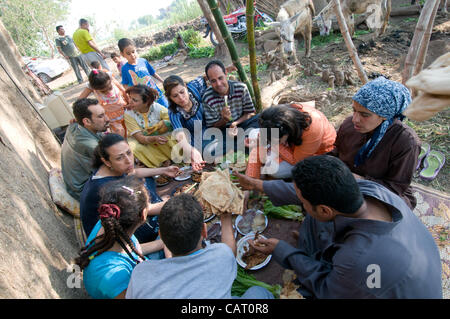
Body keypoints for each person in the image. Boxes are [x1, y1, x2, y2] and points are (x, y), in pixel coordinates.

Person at [235, 155, 443, 299]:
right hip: (390, 263)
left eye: (303, 203)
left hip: (385, 286)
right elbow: (307, 192)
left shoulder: (359, 259)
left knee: (306, 290)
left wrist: (281, 250)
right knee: (313, 222)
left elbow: (327, 289)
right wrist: (257, 185)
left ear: (325, 210)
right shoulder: (369, 189)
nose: (301, 204)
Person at [126, 194, 274, 299]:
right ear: (204, 231)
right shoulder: (220, 256)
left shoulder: (140, 274)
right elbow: (229, 249)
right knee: (259, 292)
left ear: (161, 235)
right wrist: (225, 218)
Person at [328, 76, 421, 209]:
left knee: (364, 217)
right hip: (344, 182)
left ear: (385, 115)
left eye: (364, 115)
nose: (355, 119)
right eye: (354, 110)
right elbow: (336, 153)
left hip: (382, 194)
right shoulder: (349, 125)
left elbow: (396, 187)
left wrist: (359, 180)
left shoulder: (406, 142)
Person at [75, 175, 167, 299]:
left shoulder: (109, 222)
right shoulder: (114, 276)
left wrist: (163, 243)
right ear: (144, 214)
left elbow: (132, 250)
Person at [80, 133, 180, 244]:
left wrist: (164, 170)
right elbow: (145, 209)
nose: (128, 161)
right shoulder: (106, 189)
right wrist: (173, 203)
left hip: (135, 214)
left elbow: (133, 172)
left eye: (128, 153)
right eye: (119, 158)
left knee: (148, 181)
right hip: (122, 241)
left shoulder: (110, 168)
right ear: (106, 161)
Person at [245, 103, 336, 179]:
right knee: (253, 134)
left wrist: (269, 144)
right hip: (289, 142)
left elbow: (296, 160)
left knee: (272, 169)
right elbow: (265, 134)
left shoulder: (313, 128)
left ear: (287, 131)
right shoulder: (278, 115)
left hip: (313, 153)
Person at [202, 60, 259, 155]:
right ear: (209, 81)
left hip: (243, 126)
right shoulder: (207, 97)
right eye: (213, 81)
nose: (219, 84)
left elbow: (250, 113)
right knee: (207, 150)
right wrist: (224, 120)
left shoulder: (241, 88)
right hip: (223, 132)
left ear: (226, 74)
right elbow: (212, 126)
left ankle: (236, 146)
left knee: (261, 119)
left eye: (220, 78)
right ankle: (244, 144)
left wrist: (235, 123)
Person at [61, 98, 109, 200]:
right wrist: (119, 140)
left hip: (75, 185)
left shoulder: (73, 127)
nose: (107, 119)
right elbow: (117, 167)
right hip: (84, 192)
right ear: (86, 121)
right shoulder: (92, 146)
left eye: (105, 114)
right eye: (101, 116)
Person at [124, 84, 177, 168]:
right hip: (142, 140)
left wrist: (162, 126)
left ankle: (172, 159)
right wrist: (153, 138)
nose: (130, 101)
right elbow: (140, 138)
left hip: (159, 136)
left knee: (169, 137)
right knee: (135, 148)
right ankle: (160, 162)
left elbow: (173, 121)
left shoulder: (157, 108)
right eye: (130, 97)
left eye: (134, 100)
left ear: (147, 102)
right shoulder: (128, 114)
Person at [118, 38, 168, 107]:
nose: (132, 55)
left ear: (136, 49)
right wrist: (133, 95)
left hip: (155, 92)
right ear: (122, 54)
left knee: (166, 109)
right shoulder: (125, 69)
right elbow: (125, 84)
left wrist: (163, 81)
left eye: (133, 51)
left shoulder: (143, 61)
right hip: (143, 98)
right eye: (128, 53)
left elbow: (152, 73)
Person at [78, 69, 128, 137]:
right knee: (120, 134)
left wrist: (129, 102)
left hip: (125, 110)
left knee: (132, 129)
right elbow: (79, 102)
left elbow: (123, 90)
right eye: (103, 91)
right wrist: (78, 116)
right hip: (112, 118)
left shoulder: (110, 78)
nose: (107, 90)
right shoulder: (91, 87)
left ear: (110, 80)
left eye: (109, 87)